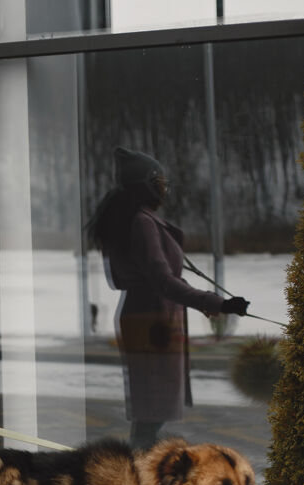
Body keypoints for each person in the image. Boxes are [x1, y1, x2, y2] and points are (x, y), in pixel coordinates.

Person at [87, 146, 250, 450]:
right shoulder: (143, 223)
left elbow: (162, 278)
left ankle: (141, 465)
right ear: (147, 184)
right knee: (152, 413)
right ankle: (140, 470)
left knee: (151, 411)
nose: (165, 188)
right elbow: (163, 281)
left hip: (149, 317)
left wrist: (206, 301)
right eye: (160, 181)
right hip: (153, 322)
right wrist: (219, 303)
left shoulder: (137, 219)